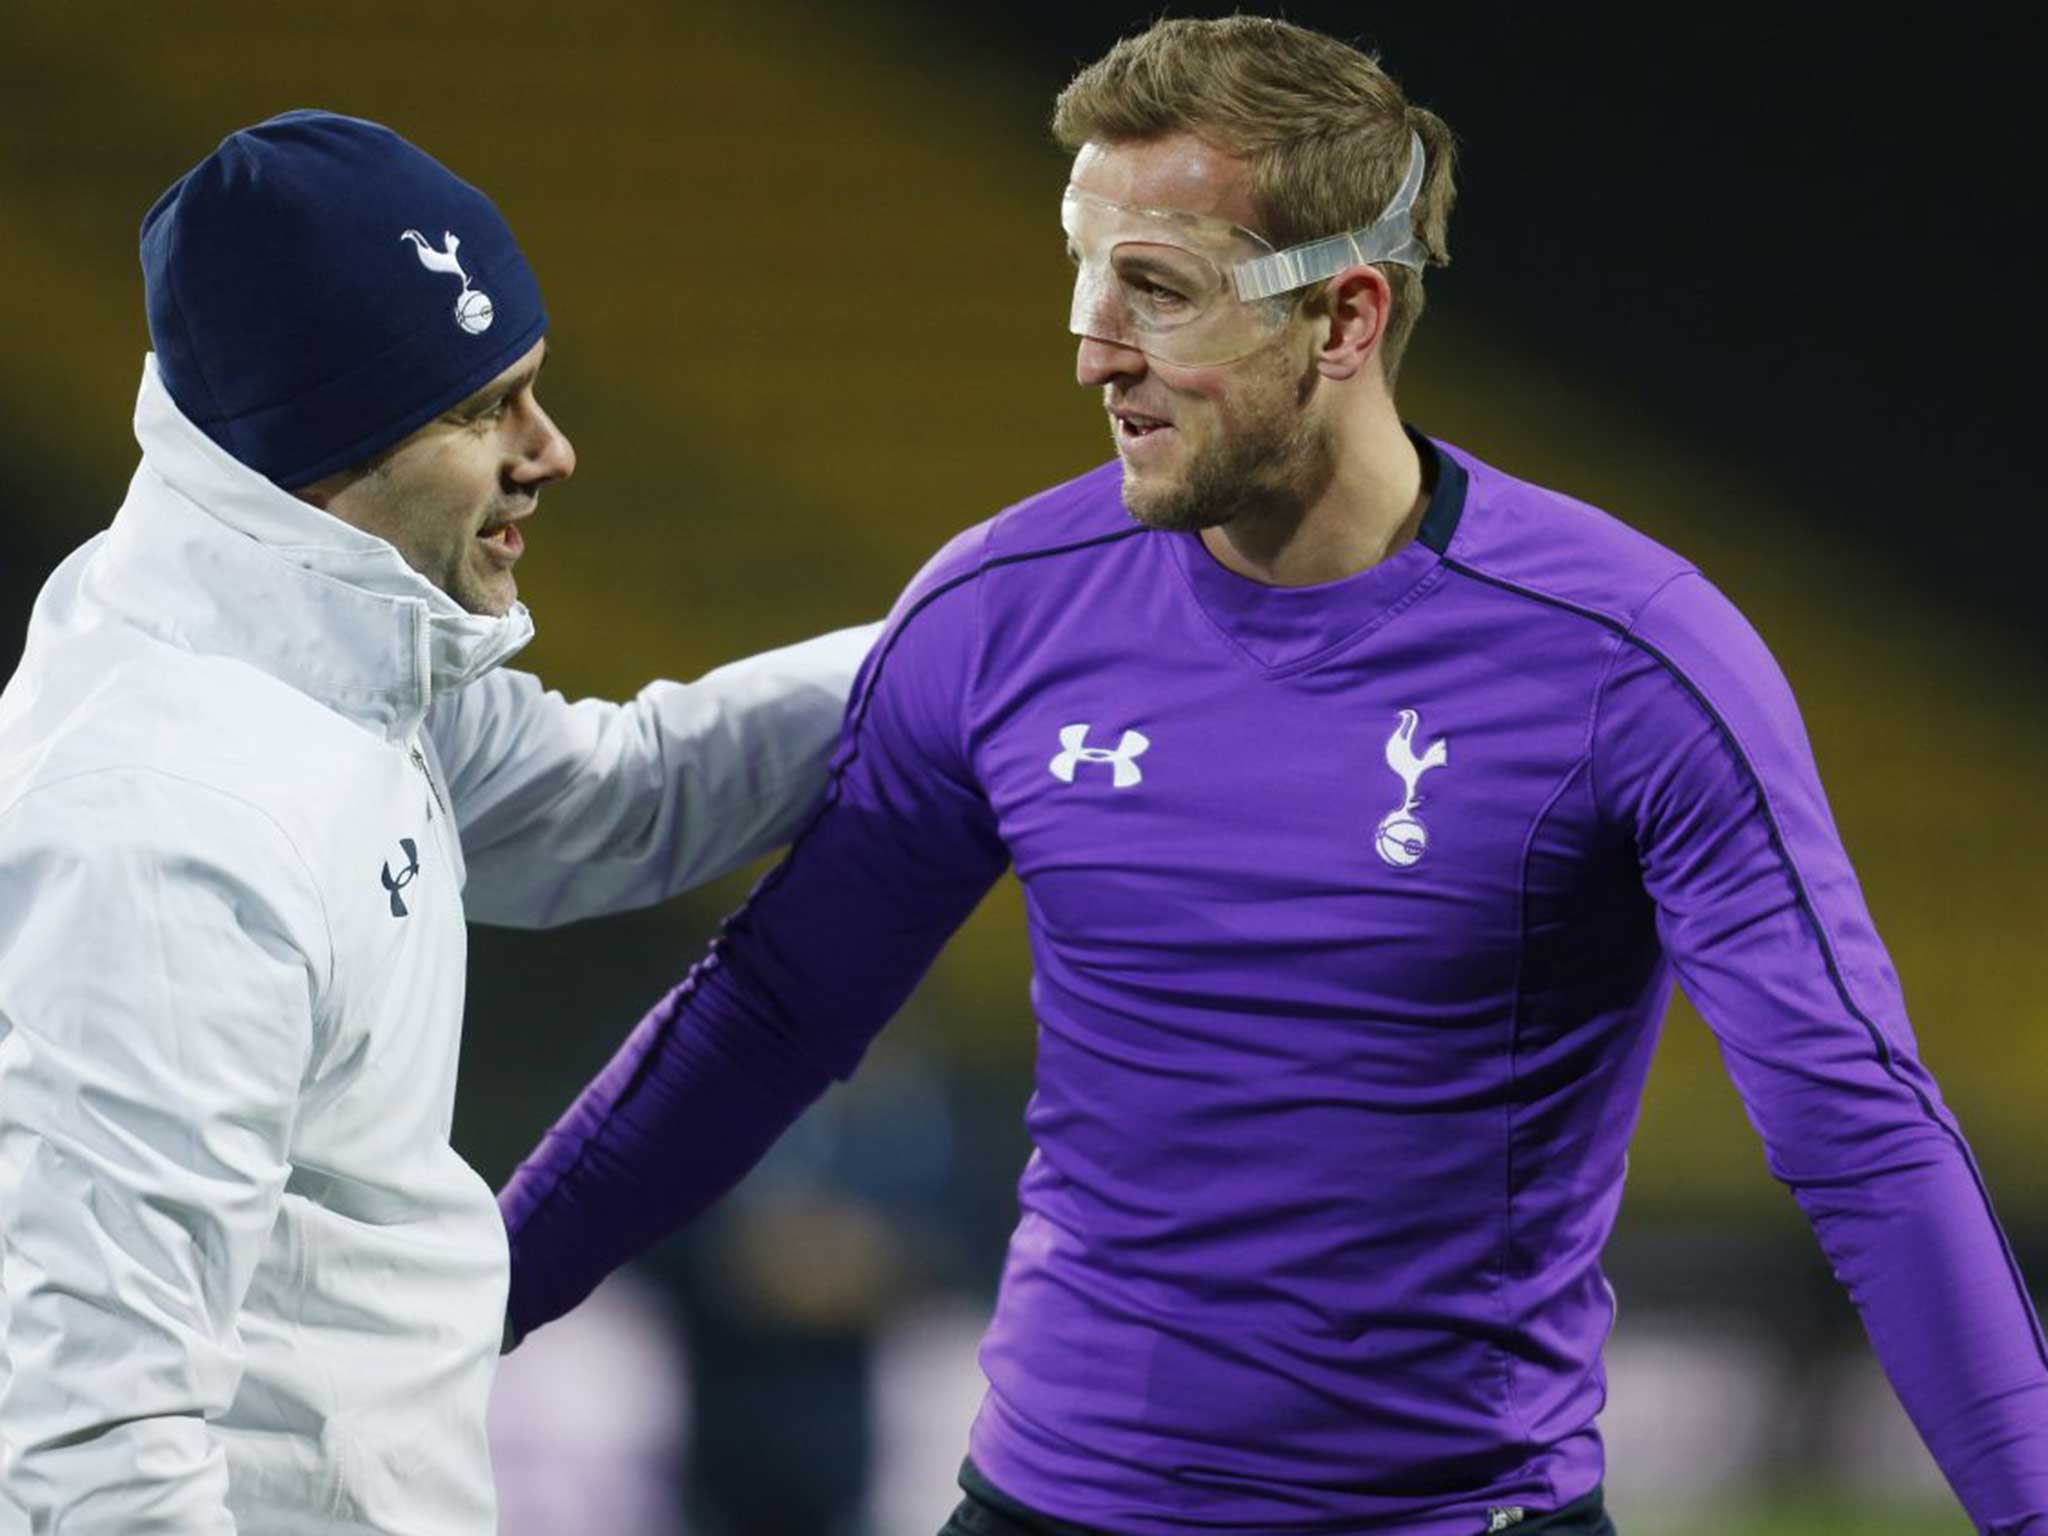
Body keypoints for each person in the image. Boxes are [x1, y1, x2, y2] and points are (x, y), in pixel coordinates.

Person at [497, 18, 2048, 1536]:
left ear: (1348, 318)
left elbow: (1859, 1127)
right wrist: (468, 1311)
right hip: (1048, 1507)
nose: (1090, 344)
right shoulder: (997, 609)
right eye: (1085, 273)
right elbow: (770, 1017)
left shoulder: (1630, 658)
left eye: (1158, 291)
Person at [0, 110, 875, 1535]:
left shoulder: (296, 632)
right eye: (486, 410)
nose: (555, 451)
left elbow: (616, 793)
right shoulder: (154, 836)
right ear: (326, 444)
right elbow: (96, 1453)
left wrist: (990, 637)